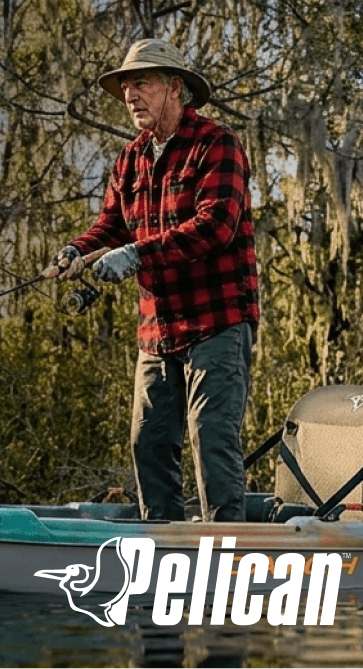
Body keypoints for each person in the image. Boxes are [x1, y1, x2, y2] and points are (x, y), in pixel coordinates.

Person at [50, 38, 259, 522]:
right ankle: (160, 544)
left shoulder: (217, 143)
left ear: (175, 87)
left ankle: (226, 550)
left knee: (212, 435)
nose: (130, 95)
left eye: (140, 83)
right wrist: (77, 250)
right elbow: (111, 225)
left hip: (218, 321)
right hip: (157, 329)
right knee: (148, 440)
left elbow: (215, 227)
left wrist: (136, 254)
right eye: (125, 86)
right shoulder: (130, 159)